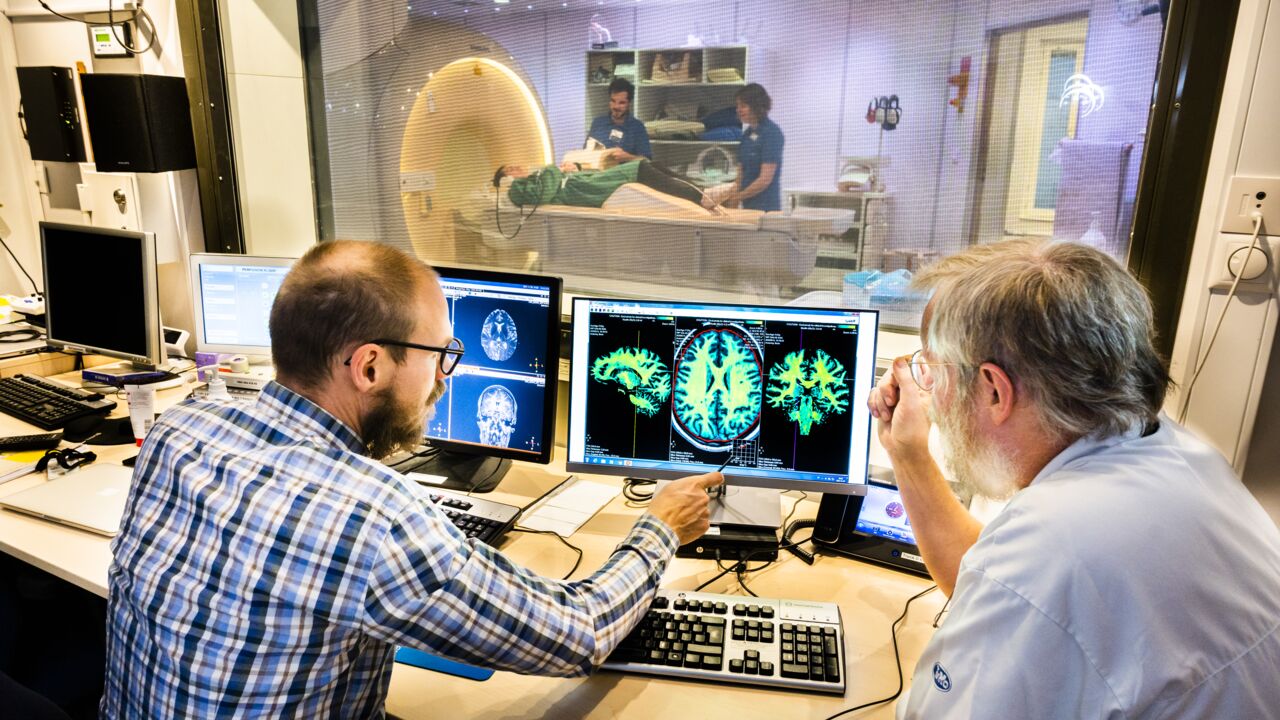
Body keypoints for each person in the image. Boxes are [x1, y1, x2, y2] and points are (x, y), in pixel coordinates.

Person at [101, 240, 723, 717]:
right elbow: (577, 634)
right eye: (440, 355)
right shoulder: (375, 519)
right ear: (369, 367)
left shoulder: (179, 430)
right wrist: (659, 527)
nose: (445, 378)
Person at [867, 239, 1280, 719]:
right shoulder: (1181, 455)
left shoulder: (1050, 545)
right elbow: (993, 587)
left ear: (995, 390)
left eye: (932, 371)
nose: (930, 395)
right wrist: (908, 454)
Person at [495, 158, 705, 208]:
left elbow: (551, 181)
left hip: (582, 184)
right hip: (582, 192)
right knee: (640, 168)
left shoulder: (534, 177)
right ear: (506, 180)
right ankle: (700, 197)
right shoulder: (516, 189)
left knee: (650, 164)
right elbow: (542, 194)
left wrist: (575, 168)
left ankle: (701, 191)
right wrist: (554, 169)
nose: (516, 167)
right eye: (510, 170)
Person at [724, 83, 783, 212]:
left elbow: (765, 179)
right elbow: (741, 173)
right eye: (737, 106)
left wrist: (739, 197)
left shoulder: (772, 133)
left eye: (743, 106)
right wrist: (733, 198)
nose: (738, 110)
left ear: (757, 106)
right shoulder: (747, 135)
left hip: (767, 210)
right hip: (748, 208)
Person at [586, 77, 651, 163]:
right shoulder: (597, 123)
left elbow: (647, 161)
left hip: (624, 171)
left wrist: (627, 157)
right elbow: (586, 153)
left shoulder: (637, 127)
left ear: (629, 103)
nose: (616, 106)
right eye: (613, 101)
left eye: (622, 103)